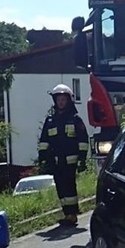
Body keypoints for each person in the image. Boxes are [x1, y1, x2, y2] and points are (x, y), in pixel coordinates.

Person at [38, 84, 90, 227]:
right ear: (55, 101)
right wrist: (42, 157)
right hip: (56, 161)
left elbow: (83, 140)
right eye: (59, 99)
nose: (61, 102)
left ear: (68, 101)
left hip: (71, 161)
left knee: (69, 187)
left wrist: (82, 159)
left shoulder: (75, 119)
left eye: (63, 99)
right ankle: (66, 213)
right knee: (60, 187)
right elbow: (44, 141)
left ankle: (72, 214)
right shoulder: (50, 121)